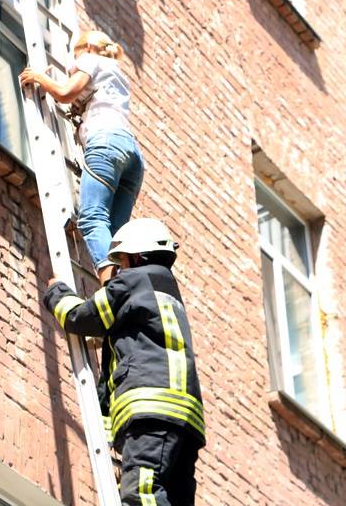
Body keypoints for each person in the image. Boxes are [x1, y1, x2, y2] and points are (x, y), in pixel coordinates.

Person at [42, 218, 206, 506]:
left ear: (135, 256)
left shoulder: (134, 281)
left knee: (141, 495)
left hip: (151, 412)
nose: (119, 270)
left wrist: (58, 292)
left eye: (122, 263)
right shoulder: (167, 292)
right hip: (186, 420)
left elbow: (82, 318)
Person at [19, 30, 144, 285]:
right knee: (114, 234)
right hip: (132, 155)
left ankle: (114, 288)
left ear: (86, 48)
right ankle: (129, 285)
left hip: (106, 143)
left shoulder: (89, 59)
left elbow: (65, 92)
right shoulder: (116, 73)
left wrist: (41, 78)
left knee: (91, 218)